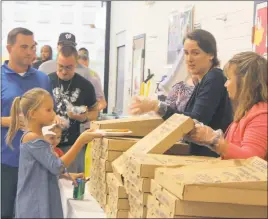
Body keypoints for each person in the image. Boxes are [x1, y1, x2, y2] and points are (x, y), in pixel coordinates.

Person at [129, 29, 233, 157]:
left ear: (211, 54)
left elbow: (195, 120)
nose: (189, 59)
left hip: (209, 157)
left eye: (195, 53)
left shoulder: (214, 78)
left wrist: (156, 106)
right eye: (186, 53)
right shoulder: (203, 80)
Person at [5, 88, 102, 218]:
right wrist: (80, 142)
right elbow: (56, 166)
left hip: (40, 202)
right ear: (33, 113)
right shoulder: (32, 138)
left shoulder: (38, 138)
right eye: (48, 110)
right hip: (35, 207)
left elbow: (46, 167)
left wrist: (67, 174)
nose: (53, 113)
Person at [1, 27, 54, 218]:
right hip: (7, 161)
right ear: (9, 48)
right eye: (24, 47)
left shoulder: (43, 79)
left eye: (33, 47)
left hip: (38, 163)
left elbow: (50, 116)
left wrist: (54, 131)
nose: (30, 52)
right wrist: (12, 121)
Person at [184, 52, 267, 160]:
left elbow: (251, 160)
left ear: (244, 82)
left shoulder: (261, 116)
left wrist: (213, 140)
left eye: (229, 79)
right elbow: (235, 146)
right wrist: (207, 136)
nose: (225, 84)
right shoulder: (247, 111)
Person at [48, 45, 98, 173]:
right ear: (56, 63)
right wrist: (51, 116)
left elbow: (95, 112)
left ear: (76, 64)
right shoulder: (46, 80)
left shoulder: (85, 86)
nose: (64, 71)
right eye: (60, 66)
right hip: (46, 143)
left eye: (69, 67)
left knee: (70, 185)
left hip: (71, 145)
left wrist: (85, 117)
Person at [39, 33, 107, 111]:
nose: (64, 71)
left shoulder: (88, 73)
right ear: (57, 47)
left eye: (70, 46)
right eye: (63, 45)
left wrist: (85, 113)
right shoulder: (44, 67)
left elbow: (100, 102)